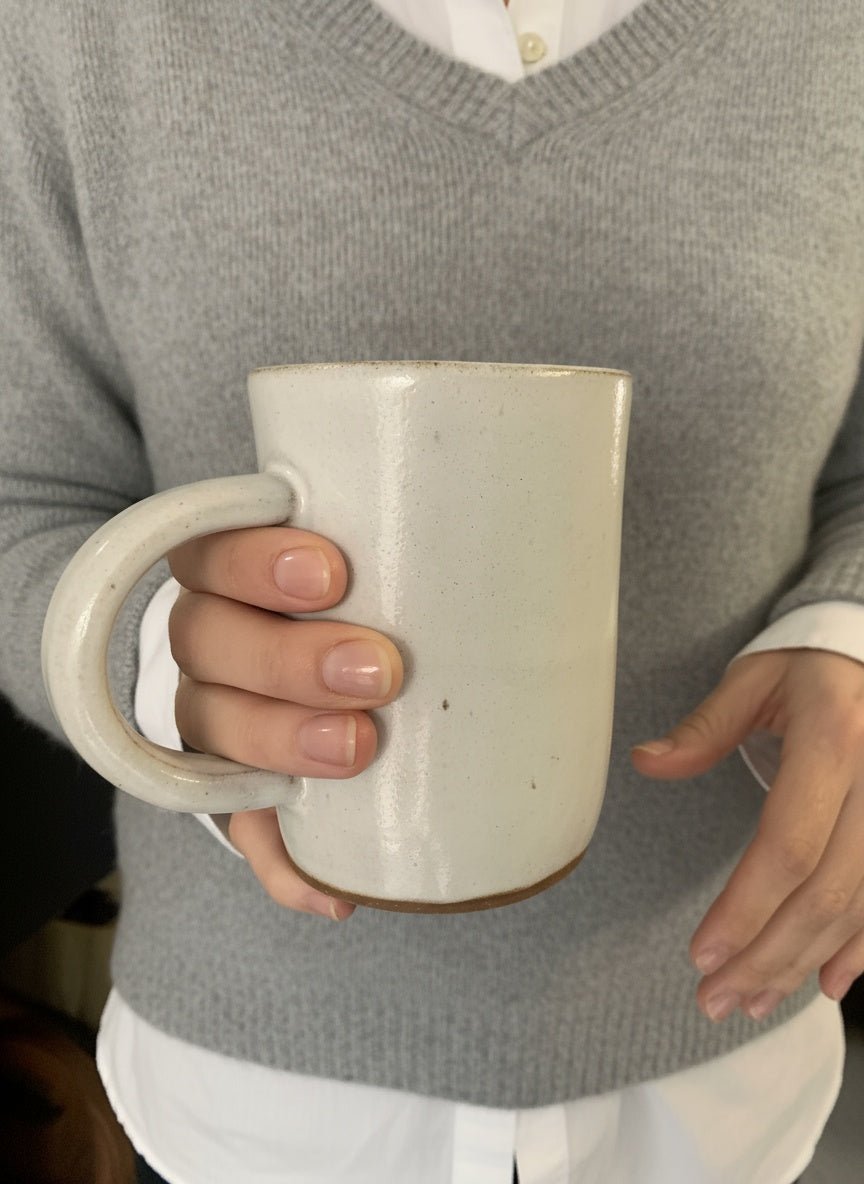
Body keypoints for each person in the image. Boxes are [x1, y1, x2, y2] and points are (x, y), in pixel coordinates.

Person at [1, 1, 862, 1181]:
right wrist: (162, 668)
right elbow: (20, 491)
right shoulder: (69, 30)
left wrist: (852, 622)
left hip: (726, 1060)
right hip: (250, 1096)